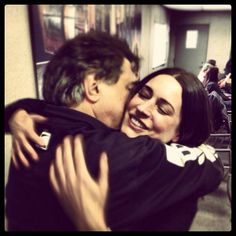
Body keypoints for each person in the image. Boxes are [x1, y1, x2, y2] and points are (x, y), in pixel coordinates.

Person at [5, 31, 223, 231]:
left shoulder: (36, 129)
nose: (141, 108)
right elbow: (213, 162)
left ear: (179, 133)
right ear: (94, 87)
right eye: (138, 91)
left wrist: (17, 112)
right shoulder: (123, 154)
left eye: (163, 109)